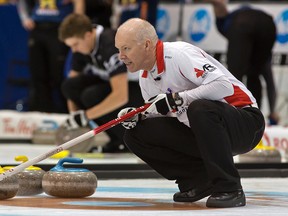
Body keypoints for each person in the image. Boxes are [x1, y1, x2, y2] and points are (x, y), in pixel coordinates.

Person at [115, 18, 265, 208]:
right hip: (205, 131)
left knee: (200, 108)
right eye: (118, 49)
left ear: (146, 45)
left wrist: (178, 98)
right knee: (136, 133)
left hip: (246, 123)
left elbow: (223, 86)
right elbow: (165, 113)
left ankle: (229, 187)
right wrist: (138, 116)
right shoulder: (146, 78)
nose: (121, 56)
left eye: (126, 48)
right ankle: (199, 179)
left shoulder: (179, 54)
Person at [58, 14, 143, 153]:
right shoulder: (82, 48)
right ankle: (115, 138)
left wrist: (85, 117)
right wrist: (75, 118)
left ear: (88, 35)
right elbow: (71, 84)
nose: (74, 50)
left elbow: (121, 96)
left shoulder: (110, 45)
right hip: (117, 86)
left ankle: (128, 140)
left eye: (75, 44)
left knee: (91, 96)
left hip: (143, 90)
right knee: (70, 86)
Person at [203, 0, 279, 125]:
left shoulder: (226, 23)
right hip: (268, 24)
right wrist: (273, 111)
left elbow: (220, 4)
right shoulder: (248, 31)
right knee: (254, 74)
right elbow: (269, 79)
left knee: (234, 76)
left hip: (243, 23)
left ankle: (234, 115)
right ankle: (255, 118)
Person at [17, 0, 85, 113]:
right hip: (38, 28)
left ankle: (67, 112)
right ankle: (42, 111)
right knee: (38, 73)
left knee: (59, 74)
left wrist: (76, 26)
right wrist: (25, 18)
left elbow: (79, 3)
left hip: (59, 27)